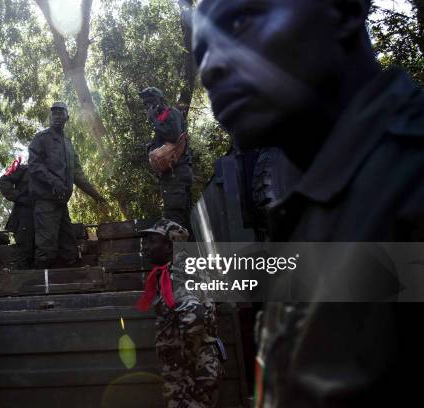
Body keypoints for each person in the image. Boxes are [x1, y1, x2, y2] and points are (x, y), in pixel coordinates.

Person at [194, 0, 424, 406]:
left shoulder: (410, 184)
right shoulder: (309, 211)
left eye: (240, 20)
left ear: (344, 11)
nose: (209, 68)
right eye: (201, 53)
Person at [138, 218, 224, 408]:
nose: (146, 246)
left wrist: (182, 359)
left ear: (169, 246)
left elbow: (196, 316)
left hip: (191, 372)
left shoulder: (178, 274)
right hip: (199, 366)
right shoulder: (184, 268)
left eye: (152, 241)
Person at [28, 102, 106, 268]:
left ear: (66, 117)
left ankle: (73, 289)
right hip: (45, 201)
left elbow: (78, 175)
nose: (56, 117)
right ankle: (41, 289)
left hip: (61, 203)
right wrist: (53, 180)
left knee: (69, 249)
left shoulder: (68, 145)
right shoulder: (41, 138)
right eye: (53, 113)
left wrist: (96, 196)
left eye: (60, 113)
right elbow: (34, 165)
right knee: (46, 249)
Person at [139, 87, 193, 229]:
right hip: (173, 176)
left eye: (150, 102)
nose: (148, 107)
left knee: (174, 221)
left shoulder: (171, 113)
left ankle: (179, 251)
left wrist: (153, 121)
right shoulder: (163, 119)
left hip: (176, 175)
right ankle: (188, 250)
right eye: (145, 104)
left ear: (160, 100)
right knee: (182, 222)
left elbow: (173, 136)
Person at [0, 157, 34, 269]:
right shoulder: (23, 169)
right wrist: (20, 197)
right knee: (25, 254)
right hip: (24, 218)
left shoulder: (51, 171)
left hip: (44, 218)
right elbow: (3, 182)